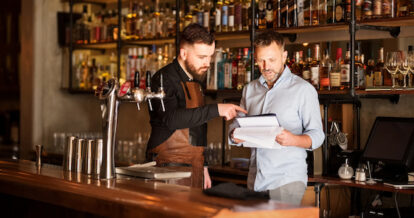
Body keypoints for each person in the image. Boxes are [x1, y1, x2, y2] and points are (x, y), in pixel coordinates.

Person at [229, 30, 324, 205]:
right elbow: (237, 123)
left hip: (286, 180)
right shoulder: (250, 89)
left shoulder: (303, 90)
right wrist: (234, 135)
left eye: (272, 60)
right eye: (261, 60)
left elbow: (318, 136)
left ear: (284, 56)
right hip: (255, 179)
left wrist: (293, 139)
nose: (266, 66)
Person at [147, 23, 247, 189]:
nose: (207, 63)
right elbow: (171, 119)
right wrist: (217, 109)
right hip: (167, 167)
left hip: (195, 165)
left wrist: (203, 164)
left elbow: (197, 127)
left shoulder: (196, 80)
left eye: (210, 56)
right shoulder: (163, 78)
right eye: (202, 57)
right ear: (184, 53)